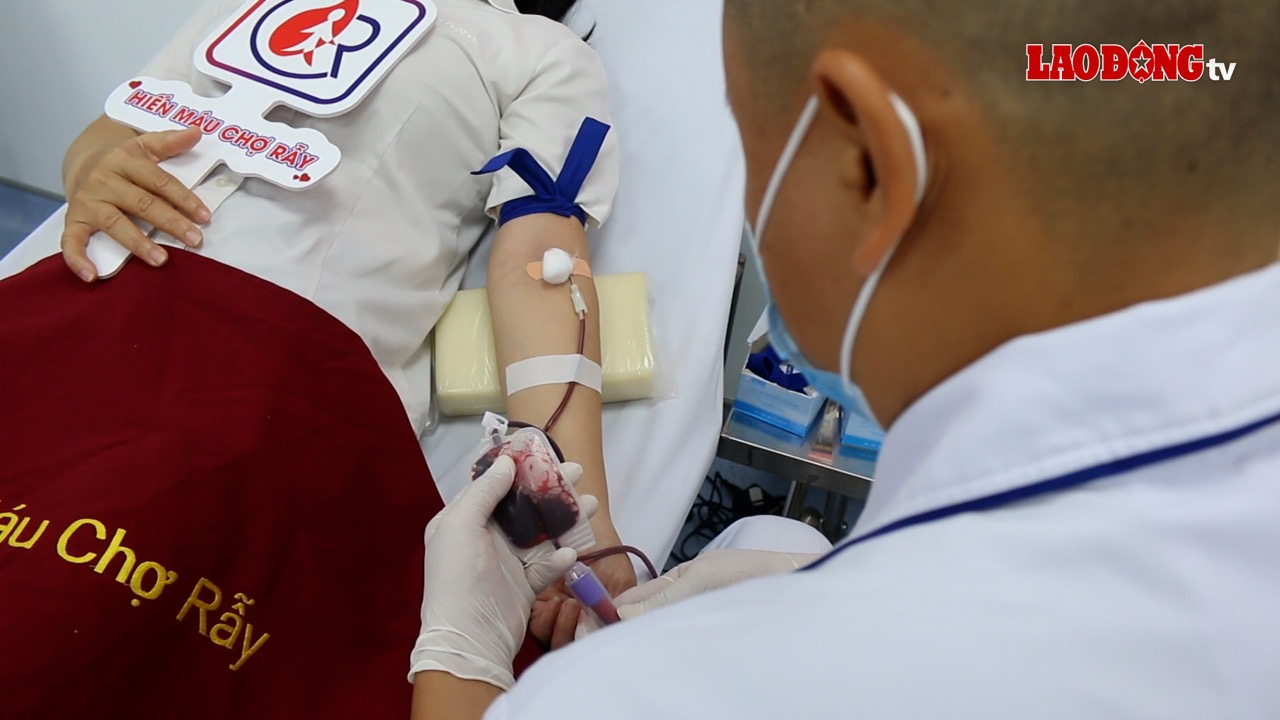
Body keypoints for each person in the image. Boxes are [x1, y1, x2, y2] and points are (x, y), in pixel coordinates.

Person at [408, 0, 1280, 717]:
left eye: (751, 158)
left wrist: (464, 658)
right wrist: (805, 574)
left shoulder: (654, 695)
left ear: (867, 163)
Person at [0, 0, 633, 716]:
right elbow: (120, 123)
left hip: (272, 359)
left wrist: (575, 514)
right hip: (88, 291)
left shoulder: (531, 49)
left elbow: (542, 265)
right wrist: (91, 167)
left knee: (80, 589)